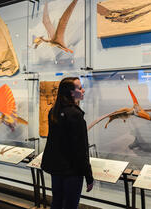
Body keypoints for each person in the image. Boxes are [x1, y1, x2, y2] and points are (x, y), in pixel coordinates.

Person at [41, 77, 94, 209]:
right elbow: (80, 149)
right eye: (80, 88)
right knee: (70, 205)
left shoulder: (54, 112)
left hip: (57, 169)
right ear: (71, 93)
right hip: (72, 171)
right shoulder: (75, 115)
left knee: (57, 202)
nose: (83, 90)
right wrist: (88, 176)